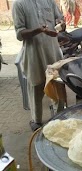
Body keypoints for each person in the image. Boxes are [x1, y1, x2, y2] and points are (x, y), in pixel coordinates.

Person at [12, 0, 66, 131]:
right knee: (36, 86)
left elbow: (59, 19)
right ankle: (36, 120)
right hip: (33, 54)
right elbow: (20, 34)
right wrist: (38, 30)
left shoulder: (49, 2)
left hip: (53, 51)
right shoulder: (19, 4)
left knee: (57, 84)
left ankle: (58, 116)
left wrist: (61, 24)